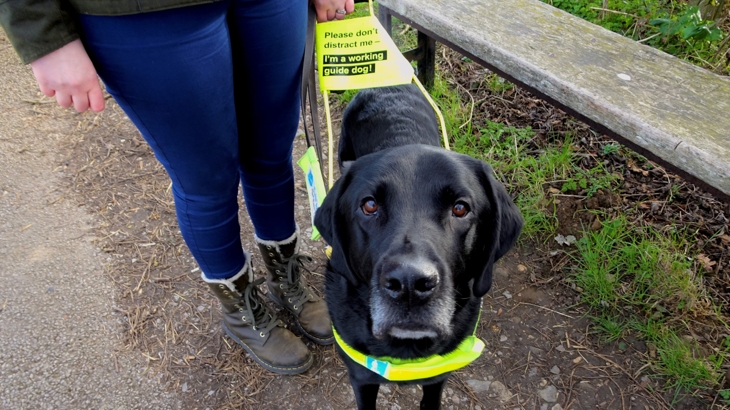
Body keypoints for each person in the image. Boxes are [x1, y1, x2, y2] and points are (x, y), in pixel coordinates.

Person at [0, 0, 354, 374]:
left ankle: (285, 279)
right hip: (147, 12)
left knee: (272, 152)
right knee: (207, 179)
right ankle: (239, 310)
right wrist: (44, 36)